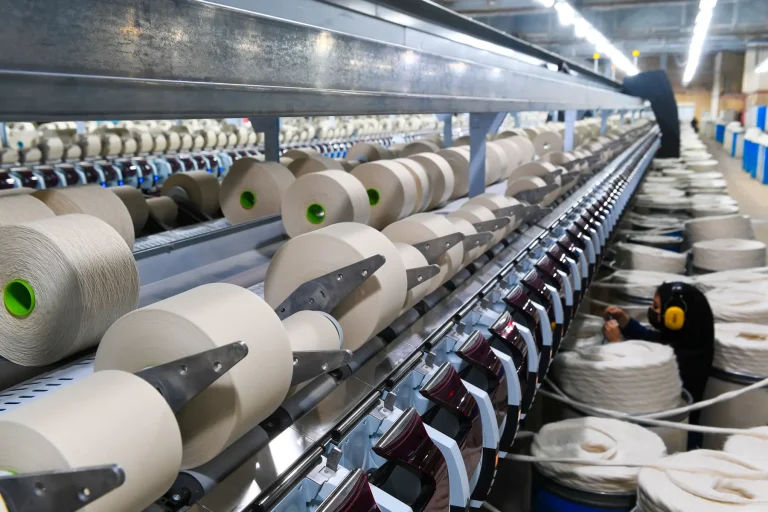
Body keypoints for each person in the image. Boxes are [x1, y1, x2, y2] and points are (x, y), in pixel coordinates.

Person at [603, 282, 715, 448]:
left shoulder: (687, 358)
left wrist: (617, 344)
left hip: (669, 434)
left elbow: (640, 382)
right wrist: (625, 321)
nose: (651, 310)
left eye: (656, 306)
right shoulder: (689, 339)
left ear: (675, 316)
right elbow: (651, 338)